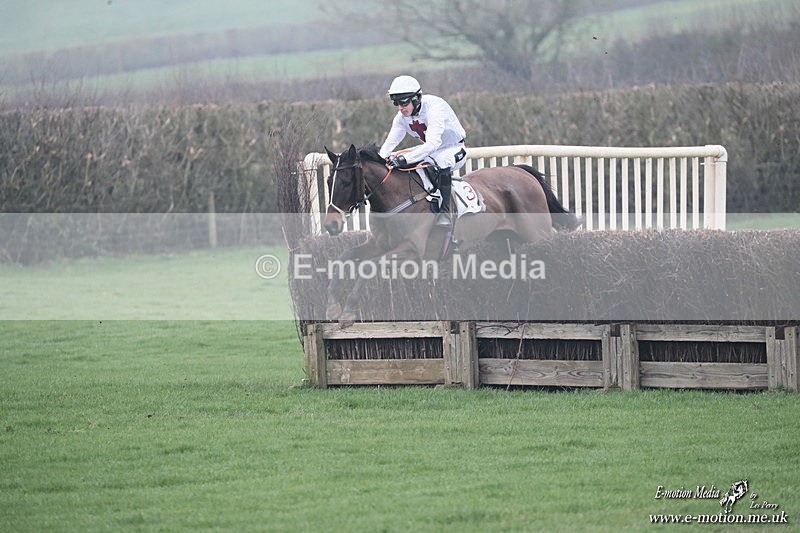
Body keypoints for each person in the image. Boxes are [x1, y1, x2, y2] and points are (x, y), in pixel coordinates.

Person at [379, 75, 467, 228]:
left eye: (404, 102)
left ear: (416, 98)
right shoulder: (401, 118)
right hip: (433, 150)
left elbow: (433, 143)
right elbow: (389, 143)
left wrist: (406, 160)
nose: (400, 107)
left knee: (441, 161)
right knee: (397, 156)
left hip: (454, 148)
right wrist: (382, 159)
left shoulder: (435, 108)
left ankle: (445, 212)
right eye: (396, 103)